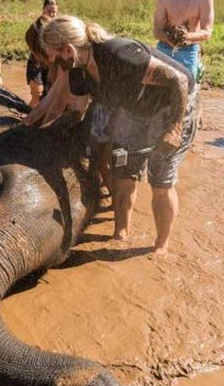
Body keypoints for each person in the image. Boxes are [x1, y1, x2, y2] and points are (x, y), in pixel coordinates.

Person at [25, 16, 198, 254]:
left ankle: (160, 246)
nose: (52, 61)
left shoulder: (120, 54)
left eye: (54, 55)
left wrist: (175, 129)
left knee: (160, 178)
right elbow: (76, 111)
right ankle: (121, 233)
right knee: (122, 168)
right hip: (133, 109)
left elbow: (178, 80)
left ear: (69, 49)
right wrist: (42, 135)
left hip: (171, 106)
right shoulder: (78, 70)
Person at [154, 0, 214, 80]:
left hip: (188, 51)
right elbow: (157, 31)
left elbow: (207, 32)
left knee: (187, 91)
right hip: (164, 48)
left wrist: (186, 36)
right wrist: (169, 38)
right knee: (156, 91)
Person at [25, 0, 58, 108]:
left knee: (48, 96)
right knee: (37, 96)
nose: (52, 14)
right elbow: (31, 44)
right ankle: (27, 116)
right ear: (43, 10)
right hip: (36, 63)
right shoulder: (35, 27)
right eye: (49, 11)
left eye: (54, 12)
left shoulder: (57, 26)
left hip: (50, 65)